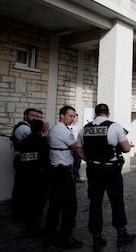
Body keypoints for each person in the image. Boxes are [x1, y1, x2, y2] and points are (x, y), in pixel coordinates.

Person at [76, 103, 136, 251]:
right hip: (111, 171)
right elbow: (127, 148)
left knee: (95, 203)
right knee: (117, 201)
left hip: (93, 170)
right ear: (108, 113)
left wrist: (88, 160)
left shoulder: (85, 129)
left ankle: (97, 239)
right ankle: (122, 236)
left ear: (95, 114)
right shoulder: (115, 127)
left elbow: (78, 148)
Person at [44, 105, 83, 249]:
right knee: (69, 206)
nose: (72, 118)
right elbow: (76, 148)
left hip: (56, 171)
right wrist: (90, 160)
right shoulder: (62, 129)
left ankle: (50, 237)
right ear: (62, 115)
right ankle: (65, 237)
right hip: (62, 172)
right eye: (70, 116)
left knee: (55, 206)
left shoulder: (57, 128)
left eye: (73, 116)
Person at [10, 108, 43, 223]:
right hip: (24, 162)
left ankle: (20, 214)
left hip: (25, 161)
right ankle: (20, 214)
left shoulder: (27, 127)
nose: (35, 118)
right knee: (22, 188)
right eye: (33, 115)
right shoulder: (25, 128)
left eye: (38, 117)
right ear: (25, 116)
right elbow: (35, 140)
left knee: (22, 188)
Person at [18, 119, 49, 235]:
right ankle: (35, 228)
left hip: (25, 175)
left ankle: (28, 226)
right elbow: (47, 158)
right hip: (39, 177)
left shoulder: (24, 141)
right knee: (38, 204)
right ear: (41, 129)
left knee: (28, 202)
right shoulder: (42, 141)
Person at [69, 113, 85, 183]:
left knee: (77, 162)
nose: (76, 119)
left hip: (77, 148)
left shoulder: (79, 128)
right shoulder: (67, 127)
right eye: (75, 117)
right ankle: (71, 177)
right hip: (69, 148)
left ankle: (76, 176)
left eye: (77, 118)